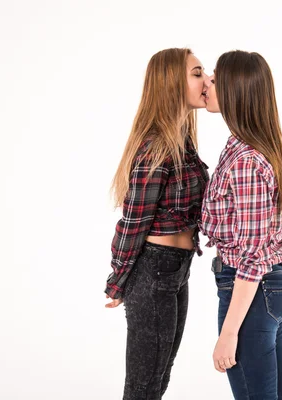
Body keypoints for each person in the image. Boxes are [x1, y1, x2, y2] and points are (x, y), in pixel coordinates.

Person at [103, 48, 210, 400]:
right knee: (142, 386)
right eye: (197, 73)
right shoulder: (156, 146)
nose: (206, 80)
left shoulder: (183, 141)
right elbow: (134, 220)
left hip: (177, 270)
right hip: (152, 273)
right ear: (171, 83)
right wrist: (117, 280)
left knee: (159, 379)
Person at [200, 50, 282, 400]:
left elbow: (252, 257)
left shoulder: (246, 162)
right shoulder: (238, 146)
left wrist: (228, 332)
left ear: (235, 90)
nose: (207, 84)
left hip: (252, 290)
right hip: (264, 287)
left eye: (213, 78)